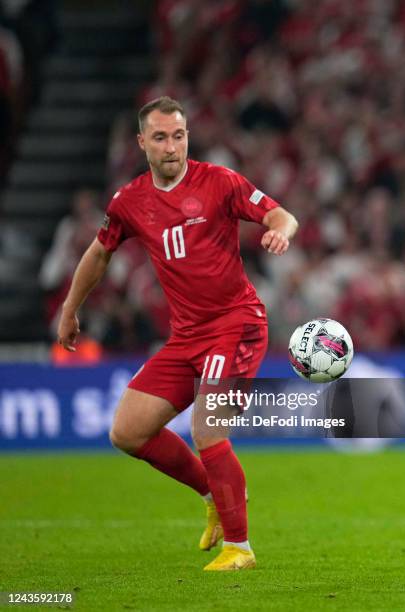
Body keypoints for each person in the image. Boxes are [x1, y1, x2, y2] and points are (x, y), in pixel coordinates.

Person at [57, 96, 298, 571]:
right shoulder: (129, 202)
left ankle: (240, 548)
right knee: (127, 431)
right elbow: (99, 253)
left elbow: (279, 213)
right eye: (162, 137)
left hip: (237, 324)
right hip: (186, 337)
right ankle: (213, 492)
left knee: (208, 429)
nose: (173, 146)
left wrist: (280, 231)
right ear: (142, 142)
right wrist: (70, 308)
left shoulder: (220, 181)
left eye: (180, 135)